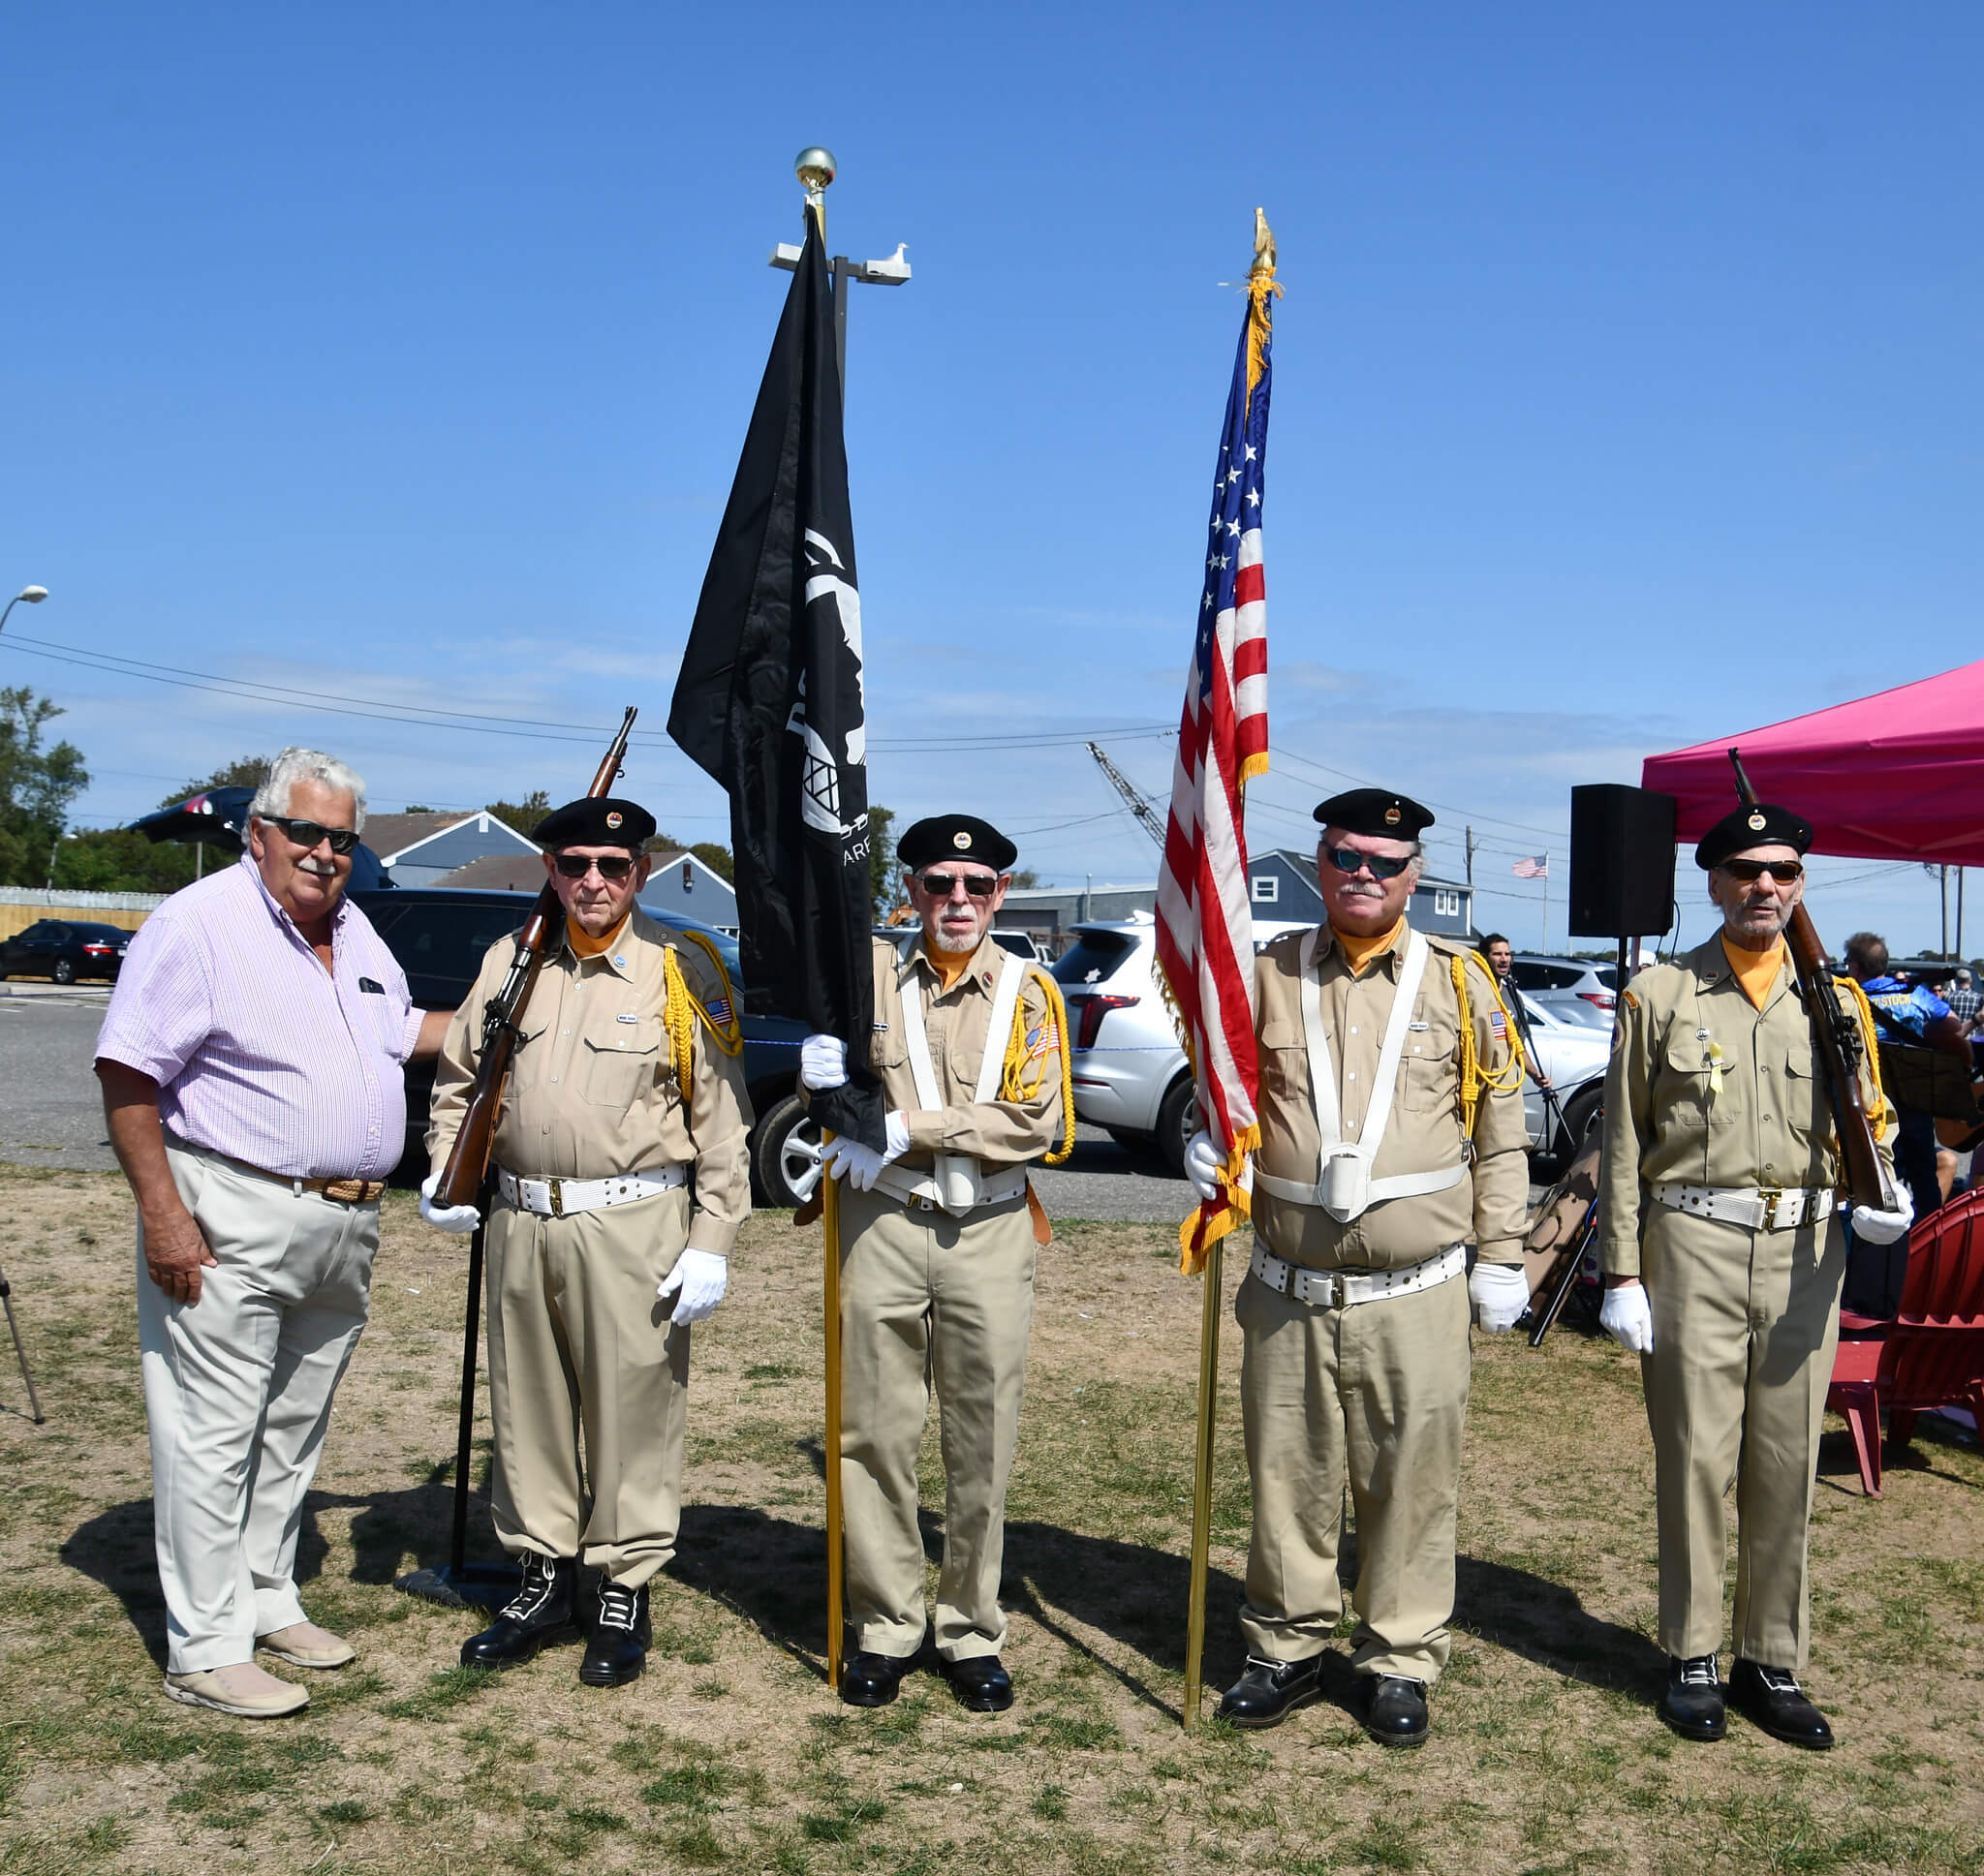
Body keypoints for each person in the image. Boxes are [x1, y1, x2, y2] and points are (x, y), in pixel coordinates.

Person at [95, 748, 452, 1718]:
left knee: (291, 1427)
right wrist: (164, 1213)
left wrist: (501, 1016)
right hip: (230, 1210)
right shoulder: (199, 923)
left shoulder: (357, 929)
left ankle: (264, 1595)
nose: (325, 852)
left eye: (343, 838)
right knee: (211, 1434)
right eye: (306, 831)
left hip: (343, 1221)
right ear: (260, 832)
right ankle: (204, 1647)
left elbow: (399, 1026)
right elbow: (127, 1071)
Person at [1187, 789, 1530, 1747]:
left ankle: (1396, 1654)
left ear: (1415, 873)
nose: (1363, 875)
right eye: (1344, 856)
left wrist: (1502, 1254)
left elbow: (1500, 1140)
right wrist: (1209, 1147)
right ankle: (1285, 1647)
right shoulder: (1265, 974)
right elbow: (1226, 1092)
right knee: (1286, 1475)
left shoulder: (1459, 984)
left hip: (1415, 1290)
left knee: (1411, 1481)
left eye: (1384, 861)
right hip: (1286, 1285)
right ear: (1318, 862)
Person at [421, 796, 752, 1688]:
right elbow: (460, 1077)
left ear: (641, 872)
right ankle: (539, 1574)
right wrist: (445, 1170)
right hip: (523, 1220)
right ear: (551, 871)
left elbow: (722, 1124)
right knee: (525, 1408)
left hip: (634, 1223)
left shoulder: (682, 972)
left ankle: (620, 1581)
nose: (592, 882)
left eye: (612, 866)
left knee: (632, 1410)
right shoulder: (512, 961)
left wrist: (713, 1238)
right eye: (574, 865)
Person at [1597, 806, 1908, 1750]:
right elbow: (1621, 1141)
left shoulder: (1836, 1000)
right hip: (1689, 1244)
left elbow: (1870, 1115)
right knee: (1694, 1455)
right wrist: (1618, 1268)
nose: (1762, 885)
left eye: (1780, 871)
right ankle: (1691, 1653)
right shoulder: (1659, 993)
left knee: (1782, 1461)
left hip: (1806, 1254)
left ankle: (1767, 1657)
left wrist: (1880, 1182)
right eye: (1743, 869)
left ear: (1800, 884)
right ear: (1713, 882)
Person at [797, 814, 1070, 1713]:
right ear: (908, 890)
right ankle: (885, 1623)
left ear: (1000, 893)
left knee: (980, 1438)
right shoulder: (864, 975)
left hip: (988, 1228)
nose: (957, 902)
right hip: (880, 1220)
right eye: (938, 884)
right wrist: (822, 1084)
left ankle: (970, 1626)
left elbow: (1037, 1120)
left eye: (976, 886)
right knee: (872, 1428)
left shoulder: (1031, 993)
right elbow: (833, 1082)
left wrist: (910, 1126)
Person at [1844, 932, 1968, 1238]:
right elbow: (1954, 1027)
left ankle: (1879, 1247)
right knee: (1924, 1175)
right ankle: (1928, 1242)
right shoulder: (1914, 993)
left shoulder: (1851, 999)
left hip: (1874, 1103)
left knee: (1879, 1175)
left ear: (1856, 968)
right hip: (1916, 1099)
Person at [1945, 968, 1980, 1033]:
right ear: (1971, 980)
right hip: (1972, 1038)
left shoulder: (1948, 997)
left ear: (1956, 981)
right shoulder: (1979, 998)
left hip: (1954, 1036)